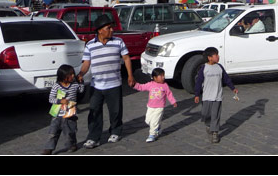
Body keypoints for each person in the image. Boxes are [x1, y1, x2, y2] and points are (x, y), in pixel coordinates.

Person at [77, 14, 135, 149]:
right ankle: (93, 137)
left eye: (111, 28)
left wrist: (131, 76)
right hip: (96, 85)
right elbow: (86, 63)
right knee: (94, 111)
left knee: (115, 111)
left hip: (114, 84)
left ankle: (115, 131)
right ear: (100, 30)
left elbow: (126, 58)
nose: (112, 30)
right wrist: (80, 74)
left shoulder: (118, 41)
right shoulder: (90, 45)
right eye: (108, 28)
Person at [194, 47, 238, 144]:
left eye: (218, 54)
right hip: (206, 97)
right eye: (216, 55)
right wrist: (197, 94)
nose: (218, 56)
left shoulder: (220, 67)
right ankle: (208, 125)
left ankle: (215, 133)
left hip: (217, 97)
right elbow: (198, 82)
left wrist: (232, 88)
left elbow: (226, 78)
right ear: (209, 58)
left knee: (215, 115)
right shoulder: (204, 68)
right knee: (206, 114)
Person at [42, 64, 85, 155]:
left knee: (70, 131)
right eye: (70, 74)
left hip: (70, 113)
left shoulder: (74, 85)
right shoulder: (56, 86)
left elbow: (81, 90)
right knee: (53, 132)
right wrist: (60, 101)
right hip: (58, 113)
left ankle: (72, 145)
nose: (73, 76)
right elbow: (51, 99)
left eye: (73, 74)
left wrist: (81, 82)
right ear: (63, 76)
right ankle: (49, 148)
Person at [133, 68, 178, 142]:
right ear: (155, 78)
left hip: (159, 107)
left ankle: (152, 135)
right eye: (161, 76)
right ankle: (157, 127)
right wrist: (134, 84)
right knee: (148, 121)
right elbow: (142, 87)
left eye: (163, 75)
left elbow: (169, 94)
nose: (163, 77)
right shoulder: (150, 84)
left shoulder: (165, 85)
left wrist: (173, 102)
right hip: (150, 107)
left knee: (154, 122)